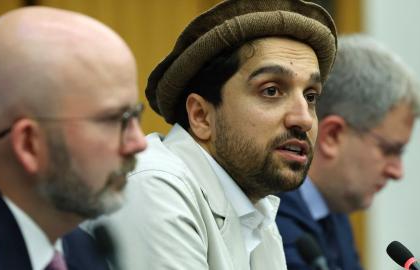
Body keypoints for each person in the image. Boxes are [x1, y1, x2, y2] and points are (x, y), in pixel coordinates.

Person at [100, 0, 337, 269]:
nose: (304, 118)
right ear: (201, 116)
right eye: (271, 91)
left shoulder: (258, 212)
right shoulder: (154, 187)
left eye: (311, 96)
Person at [0, 6, 147, 270]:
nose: (139, 142)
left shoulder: (84, 249)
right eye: (113, 119)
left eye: (135, 115)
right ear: (29, 144)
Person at [276, 34, 420, 270]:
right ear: (333, 136)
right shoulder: (273, 218)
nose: (398, 172)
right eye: (390, 150)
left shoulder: (334, 211)